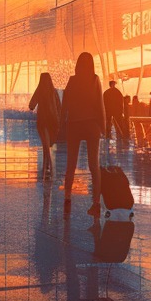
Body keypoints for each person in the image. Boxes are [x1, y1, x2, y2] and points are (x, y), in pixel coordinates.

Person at [62, 52, 105, 213]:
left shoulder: (72, 81)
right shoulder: (95, 80)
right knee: (94, 165)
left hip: (74, 125)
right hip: (92, 125)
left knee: (71, 163)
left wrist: (62, 123)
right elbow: (100, 105)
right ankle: (96, 202)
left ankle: (67, 196)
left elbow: (65, 103)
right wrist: (103, 127)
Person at [29, 72, 61, 180]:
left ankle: (50, 167)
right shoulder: (54, 91)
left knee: (45, 145)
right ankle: (46, 166)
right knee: (46, 145)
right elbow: (59, 106)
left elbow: (31, 106)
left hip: (43, 121)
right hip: (53, 121)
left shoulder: (39, 91)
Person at [103, 80, 126, 145]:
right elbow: (121, 102)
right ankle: (121, 136)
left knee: (108, 124)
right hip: (116, 111)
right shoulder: (117, 92)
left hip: (108, 110)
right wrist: (122, 110)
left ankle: (108, 135)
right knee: (118, 123)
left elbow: (103, 102)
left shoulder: (106, 92)